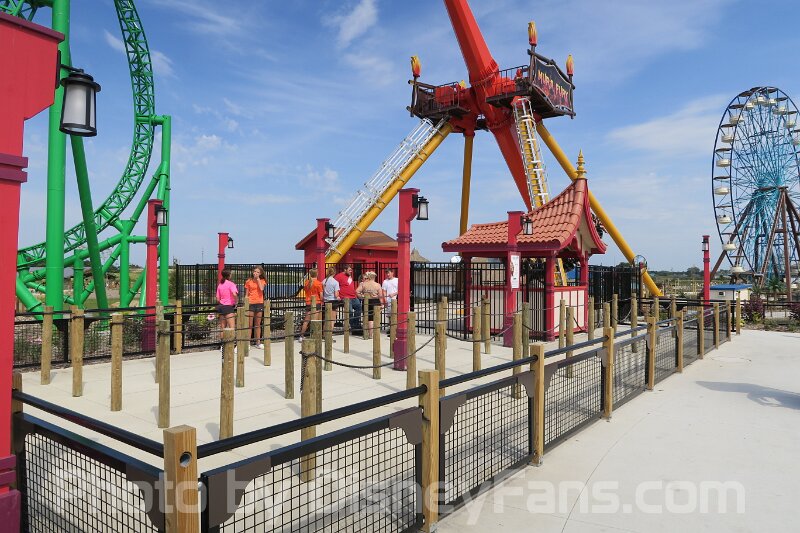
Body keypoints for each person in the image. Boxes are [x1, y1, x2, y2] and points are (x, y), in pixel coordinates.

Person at [244, 266, 267, 348]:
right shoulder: (248, 281)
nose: (256, 273)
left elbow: (261, 289)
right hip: (251, 303)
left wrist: (258, 279)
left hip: (259, 303)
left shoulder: (262, 281)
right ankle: (248, 343)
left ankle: (258, 342)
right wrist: (245, 303)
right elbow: (246, 294)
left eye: (258, 272)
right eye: (255, 271)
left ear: (260, 273)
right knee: (249, 325)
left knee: (257, 324)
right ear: (252, 272)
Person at [334, 265, 362, 332]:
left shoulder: (349, 276)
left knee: (359, 308)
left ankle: (356, 323)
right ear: (345, 270)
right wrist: (337, 295)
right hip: (345, 297)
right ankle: (353, 326)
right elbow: (334, 286)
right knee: (350, 312)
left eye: (351, 270)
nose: (351, 271)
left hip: (353, 297)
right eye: (349, 270)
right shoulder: (338, 276)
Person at [299, 268, 323, 341]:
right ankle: (315, 336)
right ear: (317, 274)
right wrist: (322, 300)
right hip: (317, 302)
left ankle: (301, 336)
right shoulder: (318, 283)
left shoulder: (306, 282)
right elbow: (321, 295)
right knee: (315, 321)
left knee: (306, 320)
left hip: (308, 302)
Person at [216, 268, 238, 334]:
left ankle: (222, 340)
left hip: (221, 307)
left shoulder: (220, 285)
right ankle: (231, 340)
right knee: (232, 327)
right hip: (228, 307)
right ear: (229, 275)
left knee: (222, 328)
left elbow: (217, 298)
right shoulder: (231, 284)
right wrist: (236, 301)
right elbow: (234, 294)